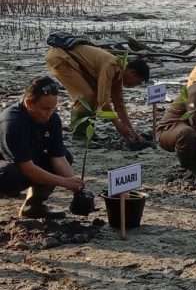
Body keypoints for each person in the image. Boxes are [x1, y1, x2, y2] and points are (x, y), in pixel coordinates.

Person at [0, 77, 84, 218]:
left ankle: (33, 206)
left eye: (53, 109)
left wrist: (77, 188)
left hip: (27, 162)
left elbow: (58, 157)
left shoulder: (52, 119)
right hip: (10, 168)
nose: (50, 113)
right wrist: (65, 182)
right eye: (45, 109)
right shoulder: (12, 123)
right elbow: (27, 168)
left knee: (66, 156)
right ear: (29, 103)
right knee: (10, 174)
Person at [46, 42, 150, 143]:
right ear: (132, 73)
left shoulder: (119, 73)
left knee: (93, 96)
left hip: (72, 62)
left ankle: (86, 131)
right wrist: (119, 126)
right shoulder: (112, 66)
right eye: (137, 82)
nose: (135, 85)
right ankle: (79, 135)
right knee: (86, 96)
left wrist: (132, 131)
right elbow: (103, 103)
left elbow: (119, 104)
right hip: (60, 58)